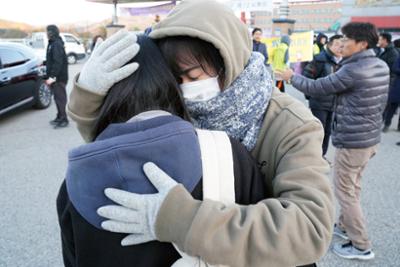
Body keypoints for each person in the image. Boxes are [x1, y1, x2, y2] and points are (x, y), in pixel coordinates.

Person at [67, 1, 334, 266]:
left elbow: (310, 228)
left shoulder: (290, 124)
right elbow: (114, 148)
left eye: (194, 77)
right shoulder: (174, 105)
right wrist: (88, 94)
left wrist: (182, 219)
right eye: (175, 80)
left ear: (229, 61)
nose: (185, 90)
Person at [57, 34, 267, 267]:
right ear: (171, 83)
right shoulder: (228, 153)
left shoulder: (77, 179)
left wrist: (85, 93)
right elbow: (268, 245)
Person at [276, 22, 389, 260]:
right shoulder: (379, 64)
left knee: (345, 192)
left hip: (353, 140)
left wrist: (290, 77)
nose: (342, 44)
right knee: (354, 186)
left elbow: (319, 87)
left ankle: (361, 245)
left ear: (362, 44)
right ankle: (345, 226)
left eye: (346, 40)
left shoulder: (353, 70)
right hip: (370, 138)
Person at [302, 34, 343, 156]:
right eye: (337, 44)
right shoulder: (319, 59)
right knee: (318, 131)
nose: (340, 48)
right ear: (329, 45)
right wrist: (311, 97)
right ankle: (312, 156)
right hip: (319, 103)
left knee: (328, 131)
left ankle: (321, 156)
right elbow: (307, 77)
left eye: (342, 45)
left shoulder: (344, 62)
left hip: (335, 103)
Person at [45, 24, 69, 128]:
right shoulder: (52, 43)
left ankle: (64, 119)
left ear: (52, 32)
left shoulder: (56, 44)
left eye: (48, 31)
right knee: (57, 98)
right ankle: (59, 116)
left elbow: (57, 63)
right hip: (55, 77)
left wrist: (52, 77)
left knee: (60, 98)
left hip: (59, 77)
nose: (46, 33)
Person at [379, 33, 400, 132]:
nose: (378, 41)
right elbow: (394, 68)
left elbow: (393, 71)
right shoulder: (387, 52)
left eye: (380, 39)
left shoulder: (392, 53)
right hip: (389, 84)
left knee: (390, 106)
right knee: (390, 106)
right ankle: (385, 123)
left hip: (389, 83)